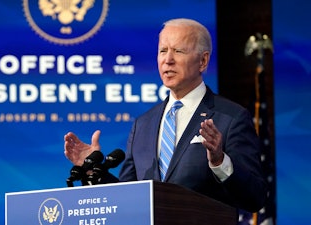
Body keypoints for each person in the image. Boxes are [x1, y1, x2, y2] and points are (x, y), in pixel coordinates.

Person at [64, 18, 267, 212]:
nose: (168, 60)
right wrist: (92, 170)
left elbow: (255, 197)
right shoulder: (143, 124)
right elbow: (128, 196)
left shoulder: (231, 118)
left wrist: (219, 162)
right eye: (163, 51)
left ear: (203, 61)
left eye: (178, 51)